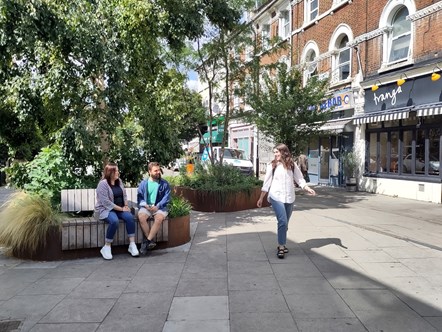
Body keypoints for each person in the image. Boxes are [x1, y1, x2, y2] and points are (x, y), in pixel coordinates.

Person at [257, 143, 316, 259]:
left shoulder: (292, 165)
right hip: (276, 196)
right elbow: (267, 183)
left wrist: (307, 188)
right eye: (274, 152)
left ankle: (282, 239)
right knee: (282, 221)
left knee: (285, 223)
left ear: (284, 152)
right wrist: (261, 198)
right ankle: (281, 246)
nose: (275, 154)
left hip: (289, 197)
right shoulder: (272, 166)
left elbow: (299, 179)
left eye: (277, 152)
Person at [95, 163, 139, 260]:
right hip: (106, 209)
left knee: (130, 218)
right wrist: (122, 209)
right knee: (114, 221)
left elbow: (124, 195)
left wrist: (126, 205)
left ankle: (132, 244)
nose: (118, 172)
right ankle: (106, 246)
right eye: (116, 171)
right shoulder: (102, 184)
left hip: (120, 208)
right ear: (110, 172)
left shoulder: (119, 181)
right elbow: (106, 203)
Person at [137, 162, 171, 254]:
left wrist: (158, 206)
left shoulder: (164, 183)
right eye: (155, 171)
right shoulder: (143, 183)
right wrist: (145, 205)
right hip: (147, 207)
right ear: (149, 172)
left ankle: (146, 241)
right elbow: (140, 197)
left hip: (160, 207)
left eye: (158, 170)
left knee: (159, 218)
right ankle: (150, 241)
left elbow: (167, 198)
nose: (158, 172)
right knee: (141, 217)